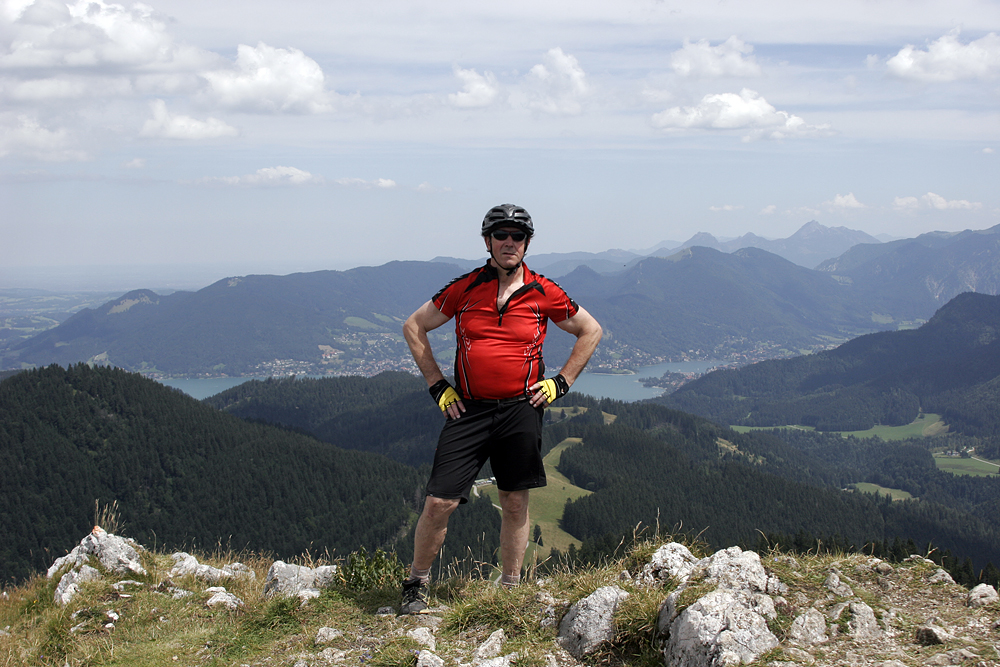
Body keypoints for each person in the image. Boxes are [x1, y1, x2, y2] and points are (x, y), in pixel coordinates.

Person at [399, 203, 602, 614]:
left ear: (527, 243)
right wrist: (438, 386)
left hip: (521, 408)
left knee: (514, 501)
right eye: (501, 235)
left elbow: (591, 330)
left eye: (518, 236)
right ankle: (415, 583)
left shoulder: (545, 291)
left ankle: (510, 589)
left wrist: (561, 382)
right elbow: (413, 325)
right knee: (439, 501)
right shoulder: (466, 287)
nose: (509, 242)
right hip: (468, 409)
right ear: (487, 240)